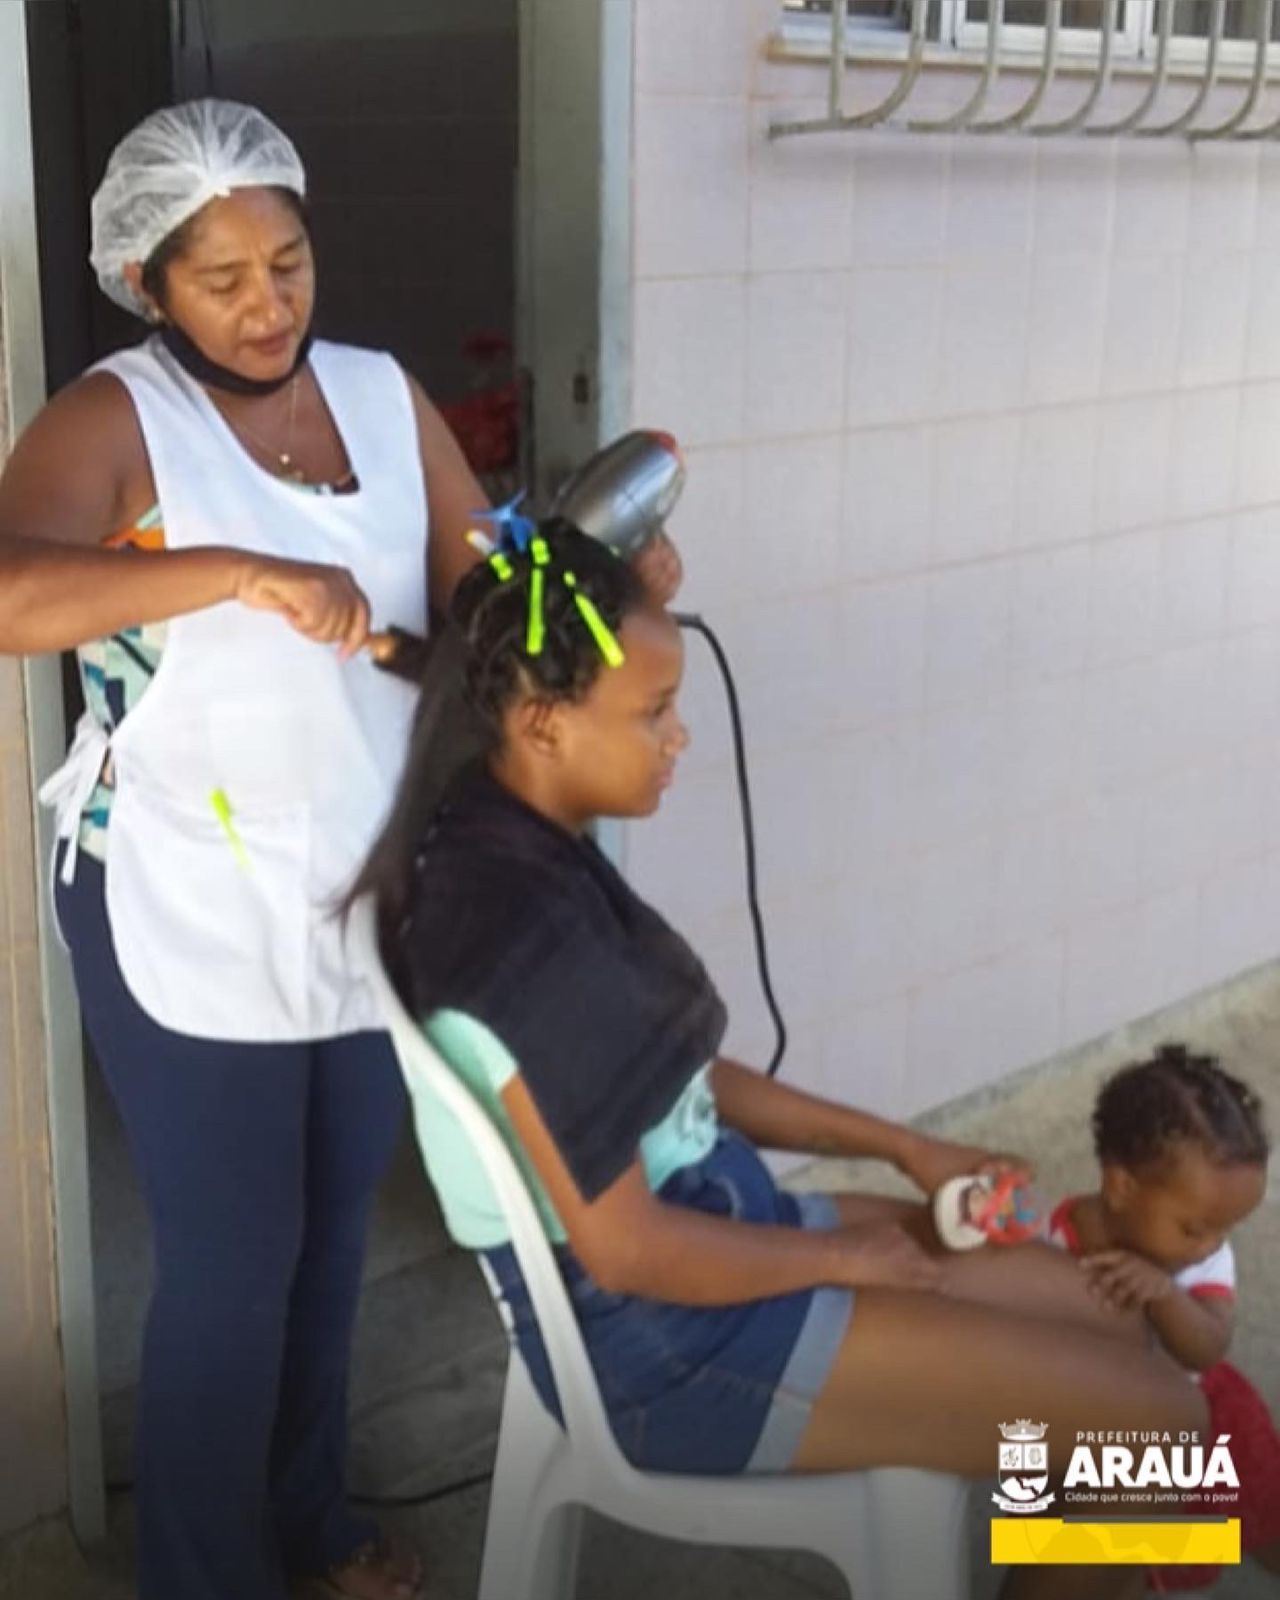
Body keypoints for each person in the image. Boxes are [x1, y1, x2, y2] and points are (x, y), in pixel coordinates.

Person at [0, 99, 677, 1600]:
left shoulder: (378, 395)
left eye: (289, 264)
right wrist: (234, 571)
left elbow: (476, 601)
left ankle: (309, 1525)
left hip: (363, 885)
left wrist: (596, 592)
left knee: (323, 1251)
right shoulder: (117, 420)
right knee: (229, 1269)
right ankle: (200, 1573)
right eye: (222, 278)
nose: (268, 306)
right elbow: (8, 592)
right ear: (147, 282)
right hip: (178, 891)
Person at [359, 520, 1208, 1600]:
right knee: (1161, 1434)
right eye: (653, 712)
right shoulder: (518, 939)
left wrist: (906, 1150)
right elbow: (626, 1252)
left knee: (1116, 1317)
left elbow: (677, 1078)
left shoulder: (512, 833)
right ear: (543, 722)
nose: (678, 738)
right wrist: (847, 1261)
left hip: (722, 1227)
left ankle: (1071, 1544)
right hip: (671, 1348)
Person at [1048, 1043, 1279, 1593]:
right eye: (1194, 1228)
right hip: (1101, 1429)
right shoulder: (1056, 1242)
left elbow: (1208, 1345)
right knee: (1118, 1554)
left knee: (1262, 1516)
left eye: (1225, 1229)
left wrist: (1164, 1296)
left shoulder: (1201, 1263)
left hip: (1206, 1418)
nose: (1210, 1245)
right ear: (1122, 1188)